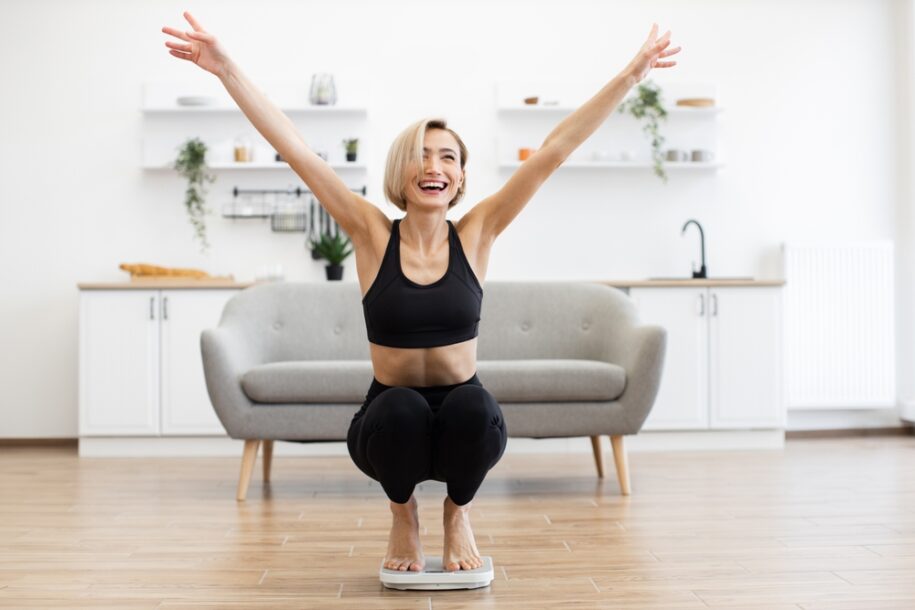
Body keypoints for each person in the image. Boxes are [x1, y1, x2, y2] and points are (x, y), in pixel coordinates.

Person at [162, 11, 680, 573]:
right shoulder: (369, 231)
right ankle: (403, 514)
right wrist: (225, 70)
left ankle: (458, 514)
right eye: (421, 155)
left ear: (460, 178)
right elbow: (300, 153)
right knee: (404, 406)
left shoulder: (479, 231)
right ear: (400, 171)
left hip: (465, 415)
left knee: (475, 406)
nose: (434, 166)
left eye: (448, 157)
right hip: (388, 419)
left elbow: (553, 150)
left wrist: (632, 75)